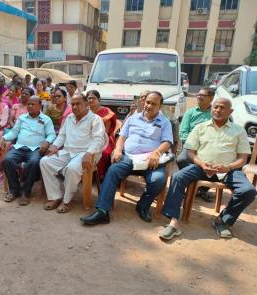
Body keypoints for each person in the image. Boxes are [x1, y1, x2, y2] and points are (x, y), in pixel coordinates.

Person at [158, 98, 255, 240]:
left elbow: (243, 158)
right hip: (201, 167)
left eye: (222, 108)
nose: (218, 110)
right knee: (178, 177)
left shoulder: (239, 131)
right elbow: (190, 151)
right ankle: (173, 222)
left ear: (230, 111)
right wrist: (202, 164)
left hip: (229, 170)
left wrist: (227, 167)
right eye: (215, 107)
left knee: (249, 191)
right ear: (211, 109)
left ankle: (223, 220)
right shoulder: (201, 127)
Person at [81, 91, 173, 225]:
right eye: (148, 102)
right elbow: (122, 137)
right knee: (113, 171)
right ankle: (102, 211)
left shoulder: (165, 122)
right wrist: (118, 149)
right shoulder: (132, 118)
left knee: (158, 179)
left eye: (154, 104)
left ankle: (142, 205)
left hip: (151, 160)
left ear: (160, 106)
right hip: (129, 157)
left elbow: (167, 141)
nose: (149, 106)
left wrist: (157, 152)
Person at [40, 94, 107, 213]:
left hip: (86, 153)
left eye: (78, 104)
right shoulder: (69, 118)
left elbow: (98, 140)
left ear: (86, 105)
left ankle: (67, 201)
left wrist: (89, 153)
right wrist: (55, 146)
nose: (75, 107)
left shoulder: (95, 119)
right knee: (45, 162)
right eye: (73, 104)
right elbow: (62, 136)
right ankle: (55, 196)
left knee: (72, 168)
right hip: (68, 151)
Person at [0, 96, 56, 205]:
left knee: (34, 162)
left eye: (33, 104)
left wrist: (47, 142)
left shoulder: (46, 119)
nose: (29, 106)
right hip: (20, 147)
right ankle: (14, 189)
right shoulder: (22, 118)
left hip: (36, 149)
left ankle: (26, 191)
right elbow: (14, 132)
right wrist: (4, 137)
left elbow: (51, 134)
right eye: (28, 104)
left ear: (40, 106)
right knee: (7, 160)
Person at [177, 87, 215, 202]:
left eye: (203, 95)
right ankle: (190, 185)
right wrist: (194, 146)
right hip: (192, 145)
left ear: (211, 98)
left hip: (210, 146)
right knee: (181, 159)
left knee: (215, 162)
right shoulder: (190, 113)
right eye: (198, 94)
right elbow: (183, 133)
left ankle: (202, 189)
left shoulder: (215, 113)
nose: (199, 97)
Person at [87, 90, 119, 180]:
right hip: (86, 138)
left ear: (99, 99)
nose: (91, 100)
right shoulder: (85, 111)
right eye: (89, 98)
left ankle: (100, 176)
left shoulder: (106, 111)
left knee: (104, 153)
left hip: (104, 139)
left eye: (93, 98)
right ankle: (84, 173)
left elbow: (105, 131)